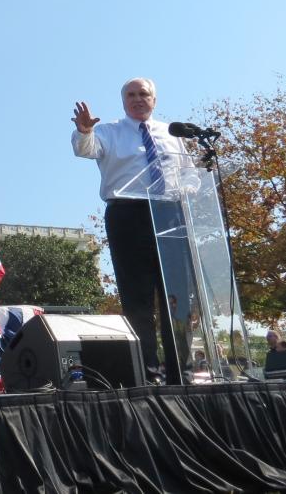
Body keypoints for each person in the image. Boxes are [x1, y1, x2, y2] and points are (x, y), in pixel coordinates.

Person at [72, 78, 194, 385]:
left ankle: (181, 370)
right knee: (138, 297)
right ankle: (148, 369)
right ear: (123, 101)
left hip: (169, 213)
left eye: (144, 94)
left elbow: (189, 173)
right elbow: (85, 150)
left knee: (177, 297)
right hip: (128, 214)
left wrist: (189, 189)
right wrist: (85, 130)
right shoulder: (110, 131)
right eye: (131, 95)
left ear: (154, 100)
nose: (138, 99)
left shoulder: (172, 133)